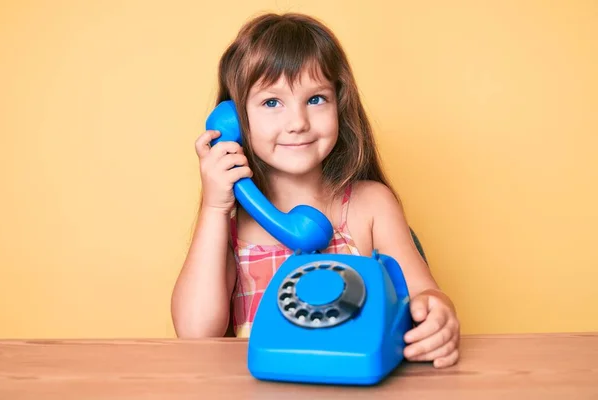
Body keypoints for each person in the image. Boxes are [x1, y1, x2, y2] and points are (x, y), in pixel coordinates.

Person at [171, 12, 460, 368]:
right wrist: (214, 210)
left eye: (316, 99)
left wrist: (437, 314)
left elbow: (422, 295)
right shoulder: (228, 225)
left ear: (339, 102)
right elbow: (196, 335)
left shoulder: (371, 208)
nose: (298, 123)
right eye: (271, 102)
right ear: (233, 120)